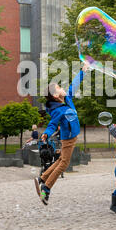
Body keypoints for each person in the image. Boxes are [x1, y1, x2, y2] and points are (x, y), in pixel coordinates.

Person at [34, 61, 89, 205]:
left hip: (72, 136)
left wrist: (82, 71)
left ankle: (43, 178)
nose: (62, 88)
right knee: (64, 164)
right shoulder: (58, 110)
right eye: (59, 88)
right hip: (68, 139)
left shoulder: (68, 99)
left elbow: (74, 85)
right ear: (55, 96)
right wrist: (46, 133)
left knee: (60, 160)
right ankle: (46, 188)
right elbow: (53, 124)